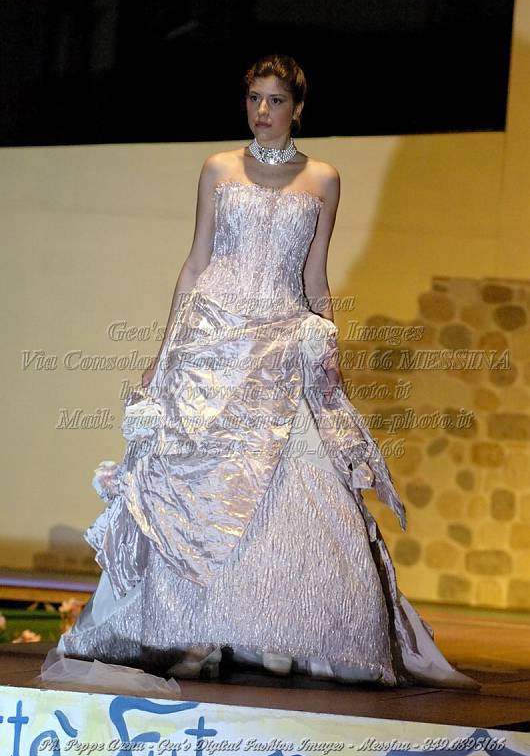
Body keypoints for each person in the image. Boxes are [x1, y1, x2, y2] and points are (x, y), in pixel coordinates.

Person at [41, 53, 479, 690]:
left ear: (298, 108)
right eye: (254, 99)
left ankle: (282, 635)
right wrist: (164, 350)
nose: (263, 111)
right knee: (199, 486)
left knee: (299, 483)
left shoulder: (324, 178)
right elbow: (196, 261)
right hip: (211, 344)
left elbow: (315, 275)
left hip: (280, 341)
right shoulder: (218, 167)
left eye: (276, 100)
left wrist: (330, 356)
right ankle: (187, 628)